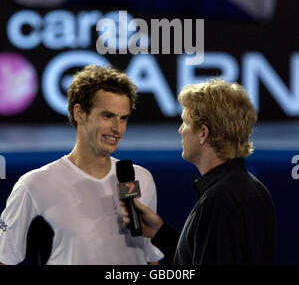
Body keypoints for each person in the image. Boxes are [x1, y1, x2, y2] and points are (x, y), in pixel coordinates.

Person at [0, 65, 163, 265]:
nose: (117, 128)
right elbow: (5, 257)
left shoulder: (141, 178)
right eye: (108, 116)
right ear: (80, 113)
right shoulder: (34, 185)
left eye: (123, 118)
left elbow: (149, 258)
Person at [121, 79, 277, 265]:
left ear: (203, 133)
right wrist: (159, 232)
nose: (180, 130)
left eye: (185, 122)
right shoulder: (255, 189)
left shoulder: (219, 200)